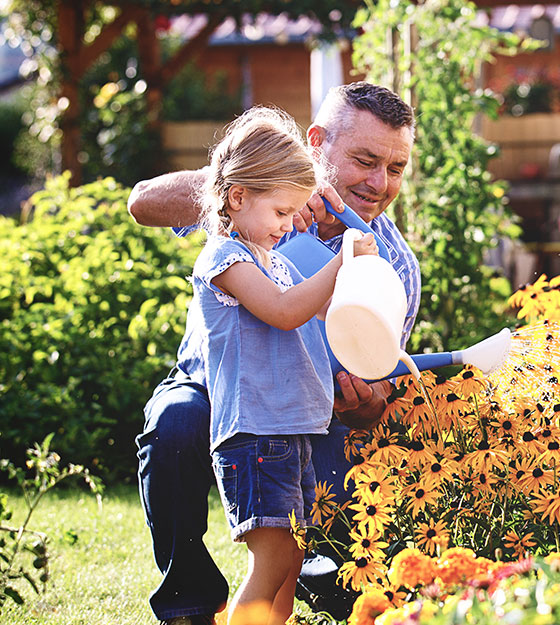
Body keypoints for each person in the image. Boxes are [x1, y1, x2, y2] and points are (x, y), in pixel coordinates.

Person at [130, 82, 420, 625]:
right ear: (317, 143)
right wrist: (250, 184)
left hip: (305, 410)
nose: (379, 183)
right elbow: (142, 201)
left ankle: (316, 580)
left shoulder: (394, 263)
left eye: (396, 168)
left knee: (312, 564)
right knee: (175, 423)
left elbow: (374, 387)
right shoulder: (253, 209)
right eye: (364, 160)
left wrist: (367, 401)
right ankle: (192, 605)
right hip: (217, 387)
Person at [185, 105, 379, 625]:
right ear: (238, 196)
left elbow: (317, 308)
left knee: (291, 558)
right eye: (280, 213)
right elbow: (287, 312)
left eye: (295, 212)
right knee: (272, 558)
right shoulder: (225, 259)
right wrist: (342, 263)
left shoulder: (274, 260)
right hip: (256, 433)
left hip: (289, 430)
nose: (289, 225)